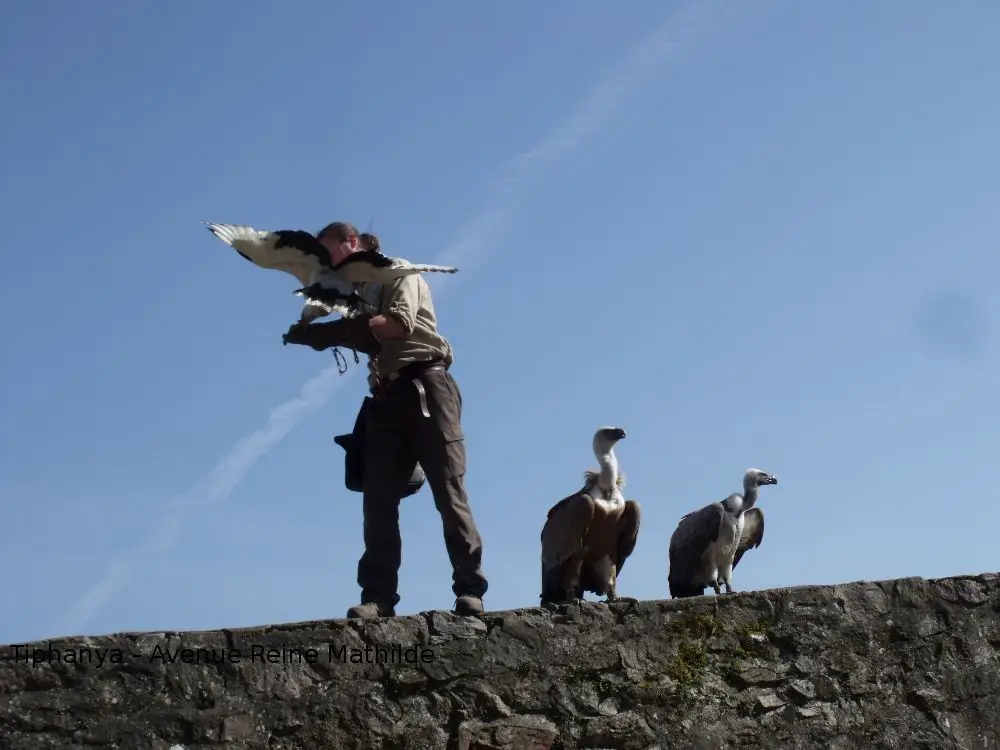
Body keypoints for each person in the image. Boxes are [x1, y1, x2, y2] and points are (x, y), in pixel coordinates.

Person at [283, 221, 488, 618]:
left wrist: (331, 333)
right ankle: (378, 598)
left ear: (351, 242)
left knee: (449, 493)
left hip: (427, 388)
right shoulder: (352, 293)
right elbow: (361, 331)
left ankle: (470, 589)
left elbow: (397, 325)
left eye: (329, 252)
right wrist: (314, 331)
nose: (326, 262)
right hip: (386, 397)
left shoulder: (396, 270)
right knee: (377, 503)